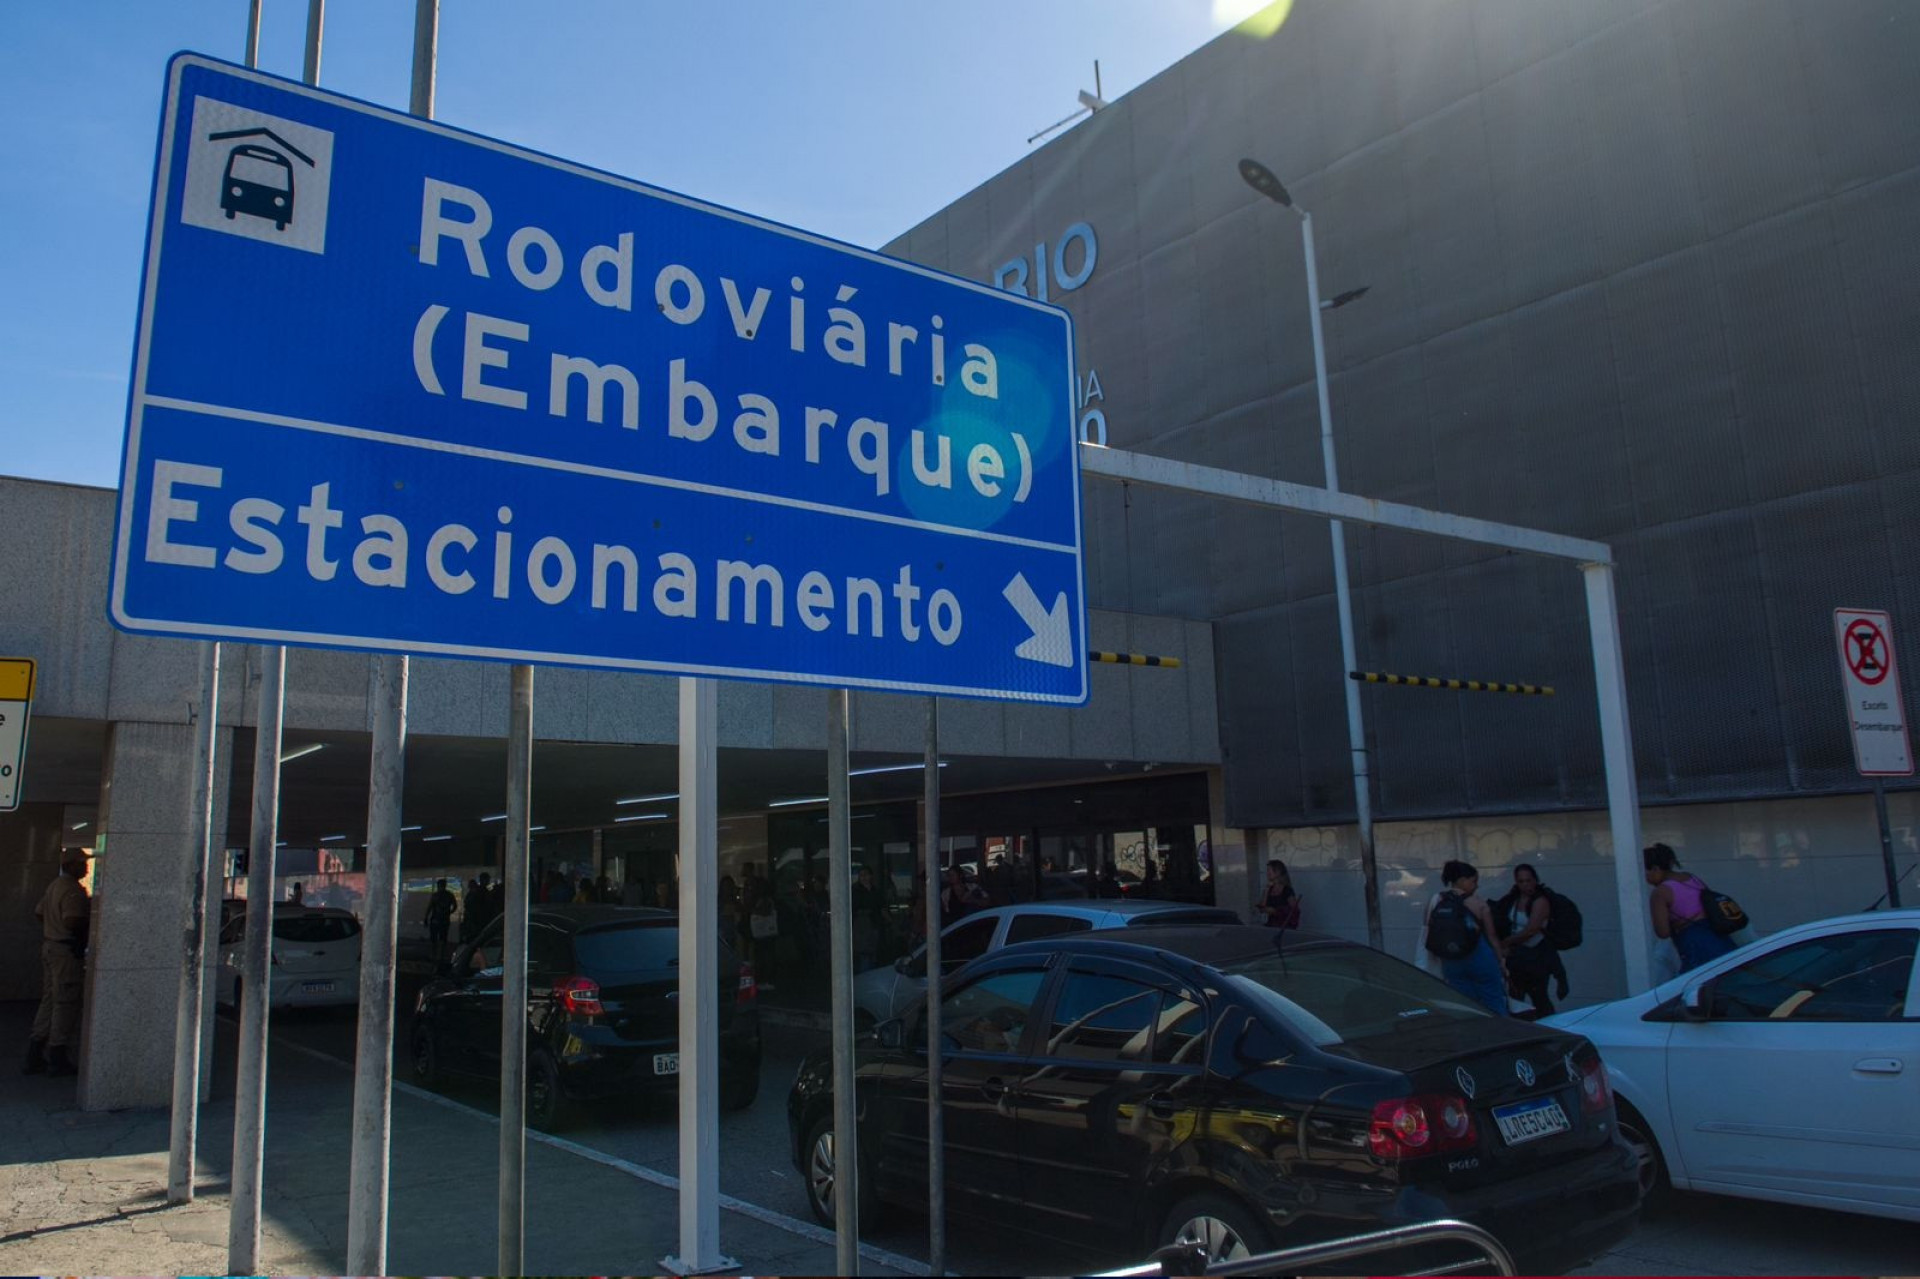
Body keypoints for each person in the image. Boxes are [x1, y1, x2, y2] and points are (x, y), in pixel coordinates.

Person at [25, 849, 92, 1076]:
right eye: (82, 863)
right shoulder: (72, 890)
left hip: (50, 946)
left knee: (50, 999)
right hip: (64, 951)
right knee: (65, 1001)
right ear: (71, 865)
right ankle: (57, 1055)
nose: (86, 868)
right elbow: (72, 920)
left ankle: (36, 1050)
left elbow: (39, 912)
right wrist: (84, 927)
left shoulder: (54, 885)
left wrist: (52, 928)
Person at [1429, 861, 1508, 1016]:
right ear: (1462, 880)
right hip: (1480, 958)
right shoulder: (1478, 902)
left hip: (1451, 961)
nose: (1476, 886)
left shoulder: (1438, 901)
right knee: (1493, 1002)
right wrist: (1501, 961)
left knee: (1465, 1006)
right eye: (1474, 881)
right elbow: (1492, 936)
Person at [1644, 843, 1737, 972]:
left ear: (1655, 869)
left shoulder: (1660, 892)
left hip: (1693, 941)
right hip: (1718, 935)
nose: (1645, 877)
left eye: (1645, 872)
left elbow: (1663, 932)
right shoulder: (1692, 878)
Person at [1492, 863, 1560, 1017]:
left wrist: (1507, 942)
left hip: (1537, 956)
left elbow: (1531, 930)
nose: (1525, 885)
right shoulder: (1513, 900)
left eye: (1528, 881)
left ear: (1535, 880)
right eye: (1521, 881)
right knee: (1515, 996)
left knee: (1539, 996)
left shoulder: (1540, 901)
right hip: (1517, 957)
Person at [1255, 859, 1302, 929]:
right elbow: (1262, 908)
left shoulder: (1287, 890)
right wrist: (1266, 890)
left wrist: (1276, 911)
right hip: (1271, 926)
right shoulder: (1269, 889)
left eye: (1269, 870)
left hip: (1284, 928)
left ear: (1277, 872)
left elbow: (1294, 911)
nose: (1267, 873)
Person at [424, 877, 458, 970]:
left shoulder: (438, 895)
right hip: (440, 920)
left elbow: (430, 907)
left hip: (439, 920)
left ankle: (437, 956)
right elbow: (454, 906)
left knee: (439, 939)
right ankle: (438, 956)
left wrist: (426, 918)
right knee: (438, 939)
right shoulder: (447, 895)